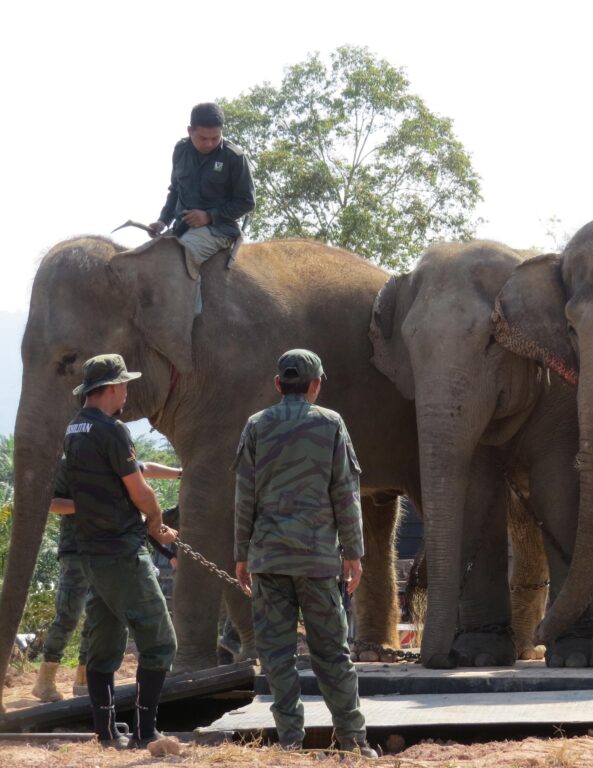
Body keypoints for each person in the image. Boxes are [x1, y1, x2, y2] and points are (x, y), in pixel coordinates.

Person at [234, 349, 376, 758]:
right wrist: (353, 552)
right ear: (315, 385)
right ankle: (353, 741)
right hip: (317, 560)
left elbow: (244, 496)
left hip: (269, 559)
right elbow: (345, 493)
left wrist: (241, 554)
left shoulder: (256, 425)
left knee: (276, 655)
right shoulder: (330, 424)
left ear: (278, 384)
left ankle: (289, 742)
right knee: (332, 653)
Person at [61, 355, 178, 748]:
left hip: (92, 552)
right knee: (160, 641)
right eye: (125, 385)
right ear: (111, 388)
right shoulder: (112, 430)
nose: (127, 392)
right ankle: (147, 732)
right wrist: (156, 520)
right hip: (123, 552)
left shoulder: (74, 428)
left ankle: (107, 732)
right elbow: (138, 489)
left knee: (105, 641)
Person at [34, 460, 181, 703]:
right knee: (69, 614)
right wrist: (92, 506)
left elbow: (144, 468)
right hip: (76, 550)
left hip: (109, 554)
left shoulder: (113, 457)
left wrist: (181, 474)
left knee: (98, 616)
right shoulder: (69, 466)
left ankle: (84, 678)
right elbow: (52, 503)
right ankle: (46, 679)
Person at [148, 102, 256, 315]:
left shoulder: (234, 157)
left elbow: (247, 201)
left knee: (180, 258)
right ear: (190, 131)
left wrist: (209, 216)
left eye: (215, 138)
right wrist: (163, 221)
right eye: (203, 138)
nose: (210, 143)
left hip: (220, 230)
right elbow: (175, 190)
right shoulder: (180, 150)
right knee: (145, 258)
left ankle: (187, 316)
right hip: (182, 227)